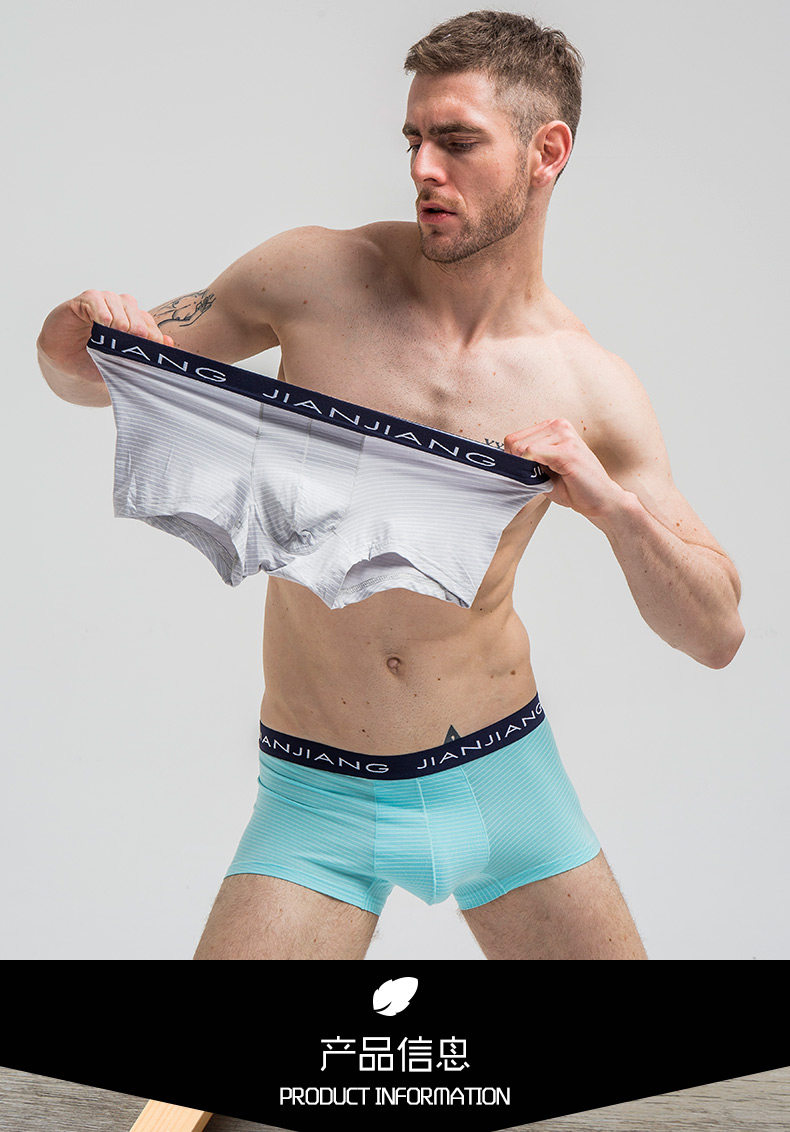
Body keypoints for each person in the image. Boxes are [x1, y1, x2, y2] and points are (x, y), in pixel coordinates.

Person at [36, 11, 744, 960]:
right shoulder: (313, 277)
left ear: (548, 152)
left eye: (458, 141)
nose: (422, 168)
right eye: (414, 139)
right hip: (316, 797)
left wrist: (615, 512)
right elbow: (85, 377)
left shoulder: (588, 386)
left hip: (503, 783)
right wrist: (73, 330)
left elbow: (715, 632)